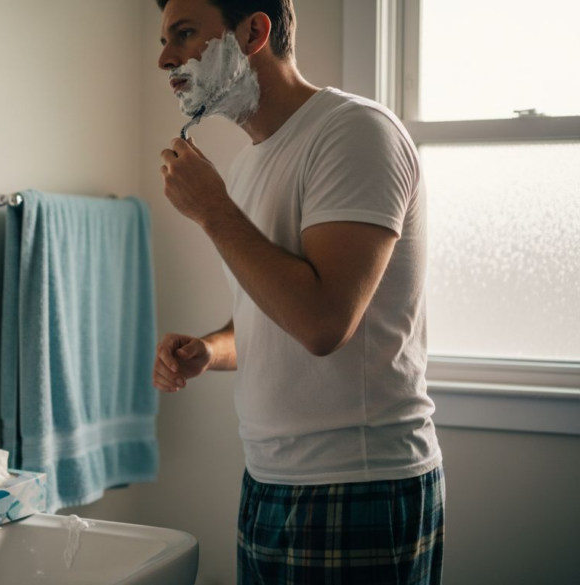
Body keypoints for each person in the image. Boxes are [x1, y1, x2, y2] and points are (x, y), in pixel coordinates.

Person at [153, 0, 444, 583]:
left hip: (358, 480)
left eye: (184, 34)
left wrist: (212, 212)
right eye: (165, 41)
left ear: (255, 30)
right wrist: (213, 349)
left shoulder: (355, 132)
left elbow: (322, 322)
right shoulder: (247, 167)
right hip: (267, 480)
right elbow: (275, 311)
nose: (165, 59)